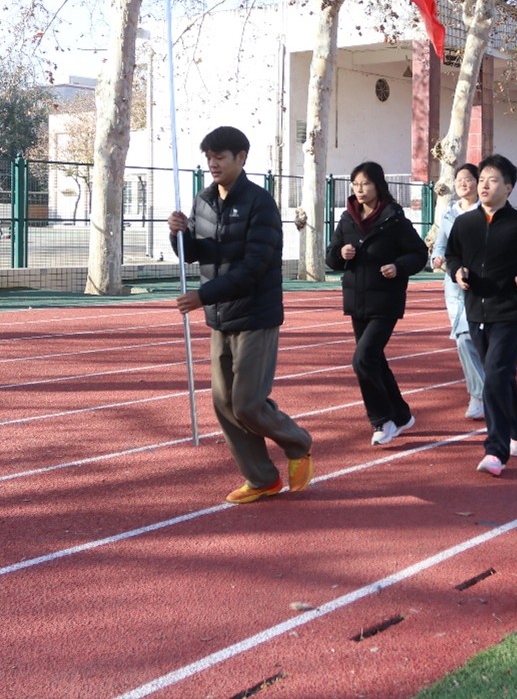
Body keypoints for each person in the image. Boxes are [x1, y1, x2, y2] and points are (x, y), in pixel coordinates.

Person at [170, 125, 313, 505]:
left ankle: (298, 442)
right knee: (224, 404)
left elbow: (254, 267)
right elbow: (196, 253)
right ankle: (262, 478)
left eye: (220, 157)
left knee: (247, 403)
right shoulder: (203, 201)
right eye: (209, 158)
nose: (213, 164)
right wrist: (178, 235)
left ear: (241, 158)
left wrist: (202, 296)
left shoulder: (260, 203)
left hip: (255, 314)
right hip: (220, 318)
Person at [445, 155, 517, 477]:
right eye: (482, 180)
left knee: (494, 376)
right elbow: (452, 255)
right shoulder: (465, 223)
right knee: (499, 377)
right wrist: (456, 272)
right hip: (476, 310)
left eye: (492, 180)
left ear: (508, 187)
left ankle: (495, 450)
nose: (484, 186)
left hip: (508, 311)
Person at [326, 161, 430, 446]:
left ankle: (382, 420)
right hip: (357, 301)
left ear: (378, 185)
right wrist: (341, 254)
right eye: (356, 185)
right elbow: (331, 256)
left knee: (362, 359)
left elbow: (418, 254)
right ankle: (402, 415)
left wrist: (398, 266)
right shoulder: (347, 218)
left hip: (386, 300)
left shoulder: (393, 218)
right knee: (375, 361)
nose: (360, 190)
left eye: (366, 184)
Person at [430, 163, 486, 420]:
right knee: (464, 338)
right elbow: (441, 244)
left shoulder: (486, 210)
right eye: (459, 179)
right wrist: (437, 257)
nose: (463, 183)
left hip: (483, 284)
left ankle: (492, 388)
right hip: (454, 285)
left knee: (482, 340)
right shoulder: (449, 212)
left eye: (468, 179)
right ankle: (479, 394)